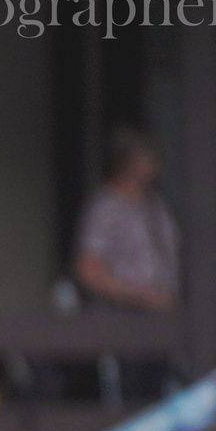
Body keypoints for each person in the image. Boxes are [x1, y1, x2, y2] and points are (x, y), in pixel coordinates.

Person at [73, 127, 179, 314]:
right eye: (145, 159)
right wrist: (142, 296)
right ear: (127, 161)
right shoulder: (106, 207)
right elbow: (88, 270)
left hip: (165, 316)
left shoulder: (158, 206)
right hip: (122, 317)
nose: (153, 166)